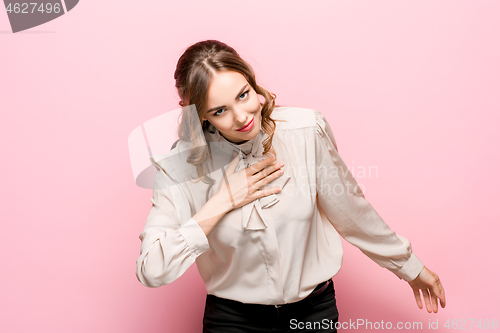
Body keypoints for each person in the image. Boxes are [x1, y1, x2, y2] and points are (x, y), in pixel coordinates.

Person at [135, 40, 446, 333]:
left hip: (313, 314)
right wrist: (223, 201)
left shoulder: (304, 131)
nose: (242, 116)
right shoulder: (179, 167)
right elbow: (152, 268)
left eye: (243, 94)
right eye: (220, 110)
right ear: (196, 111)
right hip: (232, 321)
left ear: (250, 80)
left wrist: (410, 267)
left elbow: (352, 212)